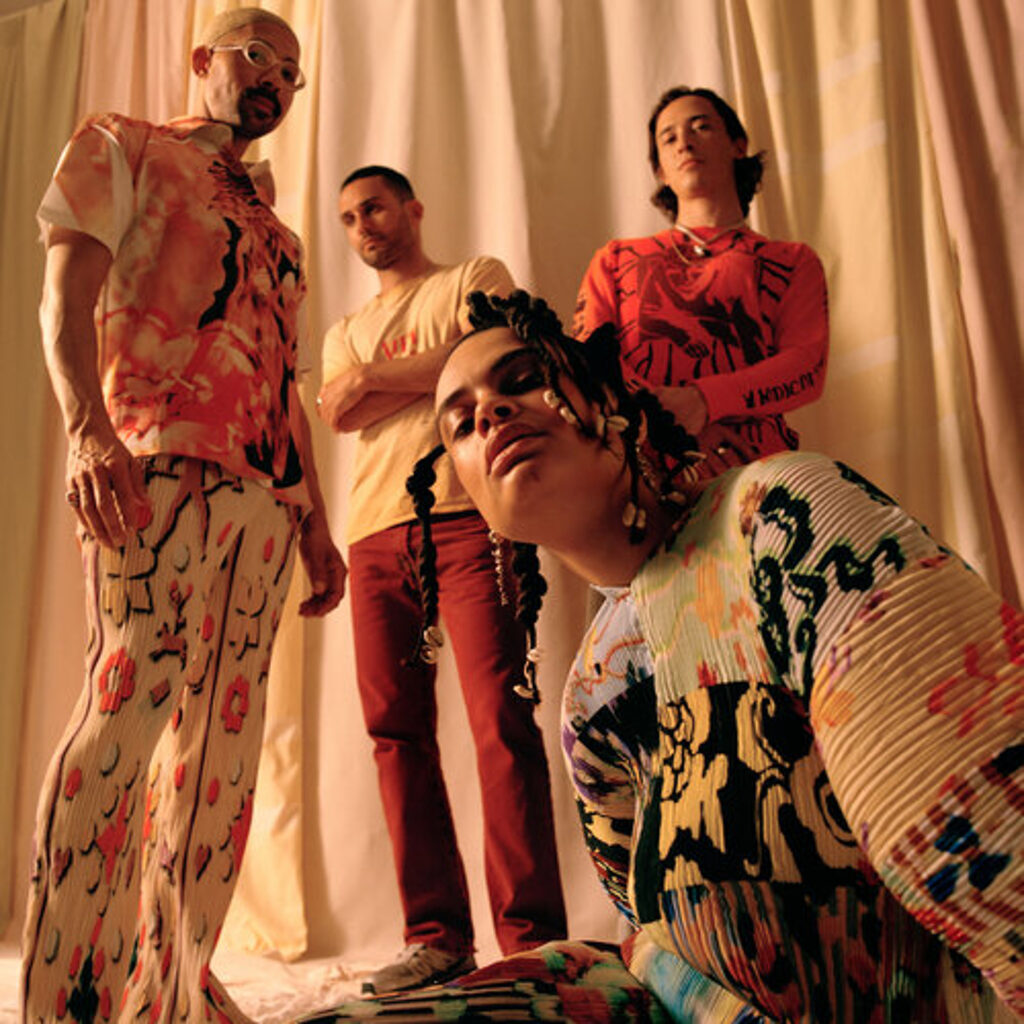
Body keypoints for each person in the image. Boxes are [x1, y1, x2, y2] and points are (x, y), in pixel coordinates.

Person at [411, 290, 1022, 1023]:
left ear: (616, 405)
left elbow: (979, 815)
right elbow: (650, 938)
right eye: (461, 424)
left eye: (519, 380)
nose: (488, 414)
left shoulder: (781, 513)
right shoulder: (589, 696)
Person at [21, 9, 346, 1023]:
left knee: (221, 752)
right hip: (154, 465)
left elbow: (284, 380)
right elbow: (63, 300)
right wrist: (88, 434)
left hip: (265, 500)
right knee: (125, 705)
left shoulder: (279, 231)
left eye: (290, 73)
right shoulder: (123, 143)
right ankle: (69, 997)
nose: (275, 81)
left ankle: (169, 994)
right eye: (258, 58)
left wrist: (314, 520)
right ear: (203, 60)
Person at [318, 167, 565, 994]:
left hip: (468, 521)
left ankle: (531, 943)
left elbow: (489, 361)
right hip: (373, 537)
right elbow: (336, 409)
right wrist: (427, 373)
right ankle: (436, 937)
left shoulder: (471, 279)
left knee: (502, 722)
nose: (364, 225)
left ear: (412, 209)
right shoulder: (344, 330)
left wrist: (374, 380)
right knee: (395, 736)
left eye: (375, 207)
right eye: (349, 217)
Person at [574, 86, 828, 479]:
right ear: (660, 170)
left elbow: (805, 367)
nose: (685, 143)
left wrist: (706, 400)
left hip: (759, 473)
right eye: (669, 138)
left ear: (738, 146)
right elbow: (589, 360)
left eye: (701, 127)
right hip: (641, 478)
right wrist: (674, 425)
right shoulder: (615, 259)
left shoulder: (792, 261)